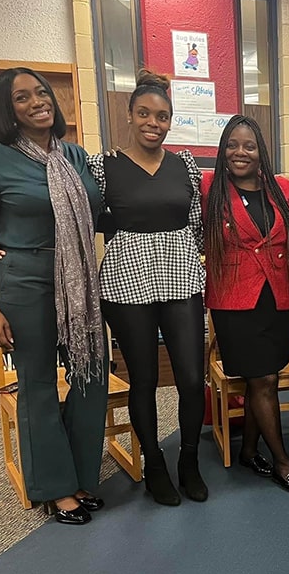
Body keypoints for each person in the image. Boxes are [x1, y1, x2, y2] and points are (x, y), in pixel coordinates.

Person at [0, 67, 108, 525]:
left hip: (79, 281)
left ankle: (80, 473)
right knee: (38, 385)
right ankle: (57, 488)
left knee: (92, 373)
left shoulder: (74, 154)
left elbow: (100, 210)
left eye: (41, 91)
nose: (36, 101)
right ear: (7, 111)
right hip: (25, 279)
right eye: (21, 98)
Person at [87, 69, 208, 506]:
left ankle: (189, 461)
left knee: (192, 379)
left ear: (171, 120)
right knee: (142, 378)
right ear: (130, 114)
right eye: (144, 114)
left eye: (162, 116)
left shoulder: (186, 165)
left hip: (179, 274)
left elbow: (195, 221)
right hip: (125, 279)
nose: (153, 123)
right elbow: (89, 221)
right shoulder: (103, 167)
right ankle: (154, 464)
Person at [203, 115, 289, 495]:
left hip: (276, 297)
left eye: (248, 145)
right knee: (263, 379)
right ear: (223, 149)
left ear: (260, 151)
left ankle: (250, 450)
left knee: (268, 376)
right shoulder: (209, 187)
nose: (240, 152)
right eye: (232, 144)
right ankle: (283, 462)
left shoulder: (280, 188)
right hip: (234, 300)